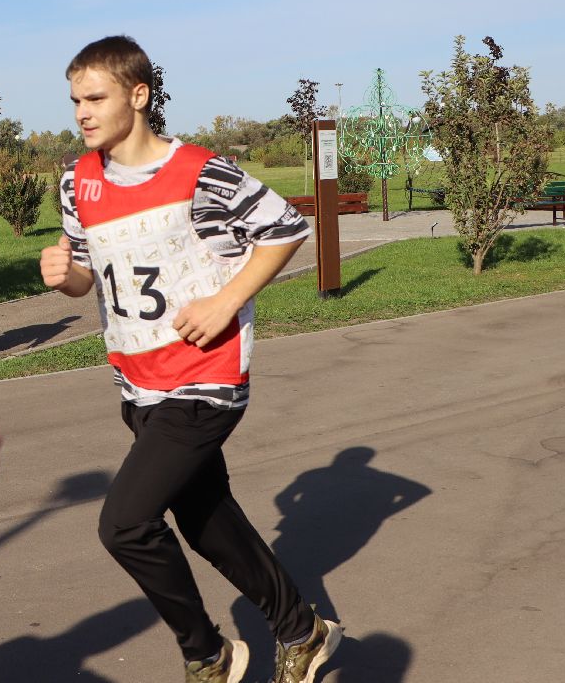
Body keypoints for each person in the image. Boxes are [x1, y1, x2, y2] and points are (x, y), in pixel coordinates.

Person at [39, 36, 340, 683]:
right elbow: (86, 273)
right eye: (75, 101)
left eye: (96, 98)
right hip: (138, 381)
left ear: (139, 95)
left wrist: (224, 301)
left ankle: (207, 653)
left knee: (124, 524)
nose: (82, 113)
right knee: (204, 519)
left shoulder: (201, 172)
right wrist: (62, 273)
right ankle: (301, 630)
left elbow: (285, 228)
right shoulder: (77, 179)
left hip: (205, 378)